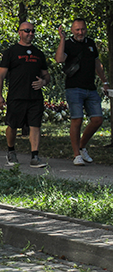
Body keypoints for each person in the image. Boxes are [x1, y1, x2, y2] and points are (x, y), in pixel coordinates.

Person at [0, 21, 50, 168]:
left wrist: (43, 82)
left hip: (35, 97)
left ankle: (35, 156)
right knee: (12, 126)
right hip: (16, 96)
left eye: (32, 31)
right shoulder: (11, 52)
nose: (30, 33)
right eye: (27, 31)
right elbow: (0, 76)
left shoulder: (39, 53)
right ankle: (11, 151)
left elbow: (47, 75)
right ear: (19, 32)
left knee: (35, 125)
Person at [55, 19, 109, 165]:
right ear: (72, 30)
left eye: (83, 29)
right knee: (77, 120)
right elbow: (59, 59)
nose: (80, 32)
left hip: (90, 88)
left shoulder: (90, 43)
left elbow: (97, 63)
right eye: (77, 30)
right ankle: (76, 155)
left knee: (97, 119)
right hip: (74, 88)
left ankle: (82, 145)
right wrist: (62, 39)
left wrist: (104, 82)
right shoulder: (68, 44)